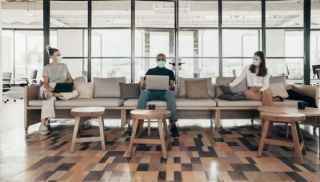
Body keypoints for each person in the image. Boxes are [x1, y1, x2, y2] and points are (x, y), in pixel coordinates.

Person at [137, 53, 179, 137]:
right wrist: (142, 84)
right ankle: (138, 122)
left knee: (170, 94)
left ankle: (173, 124)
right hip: (151, 93)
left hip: (164, 93)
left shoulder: (170, 72)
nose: (161, 61)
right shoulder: (150, 71)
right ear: (156, 60)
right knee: (144, 93)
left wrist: (172, 86)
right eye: (159, 59)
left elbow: (172, 86)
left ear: (165, 61)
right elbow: (144, 85)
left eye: (163, 59)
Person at [39, 46, 73, 135]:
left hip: (60, 87)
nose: (59, 56)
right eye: (57, 55)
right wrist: (49, 88)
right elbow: (45, 82)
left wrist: (66, 83)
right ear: (51, 57)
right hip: (50, 86)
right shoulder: (46, 67)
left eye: (59, 55)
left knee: (76, 92)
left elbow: (70, 79)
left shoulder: (64, 66)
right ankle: (44, 123)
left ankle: (54, 95)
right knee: (48, 98)